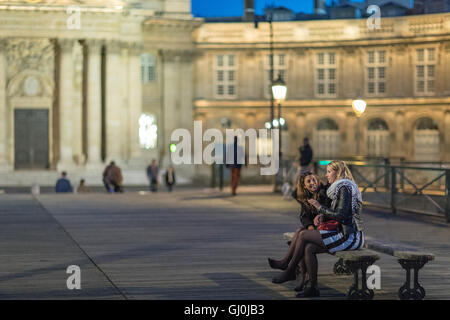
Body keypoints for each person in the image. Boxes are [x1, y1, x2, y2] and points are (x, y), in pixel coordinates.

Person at [271, 160, 364, 298]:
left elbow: (342, 215)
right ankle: (313, 287)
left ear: (337, 172)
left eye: (329, 172)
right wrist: (322, 215)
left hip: (349, 236)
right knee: (309, 248)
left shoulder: (344, 188)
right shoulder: (338, 188)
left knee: (303, 235)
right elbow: (336, 213)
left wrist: (320, 208)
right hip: (341, 233)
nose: (326, 175)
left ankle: (290, 269)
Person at [268, 172, 330, 292]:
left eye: (313, 179)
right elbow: (304, 216)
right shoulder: (306, 197)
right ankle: (295, 273)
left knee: (301, 237)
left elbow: (328, 212)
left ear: (317, 179)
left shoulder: (323, 192)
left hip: (327, 229)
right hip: (318, 229)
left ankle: (287, 266)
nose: (312, 183)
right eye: (308, 182)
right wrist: (310, 226)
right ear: (304, 186)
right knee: (301, 233)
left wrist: (319, 216)